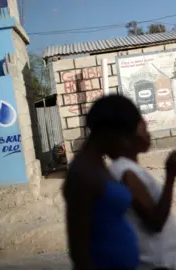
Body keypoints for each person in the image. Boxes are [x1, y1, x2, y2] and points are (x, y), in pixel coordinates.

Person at [103, 94, 176, 270]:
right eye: (144, 130)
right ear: (128, 136)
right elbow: (155, 222)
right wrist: (170, 177)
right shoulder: (126, 173)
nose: (148, 135)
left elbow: (147, 223)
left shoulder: (129, 170)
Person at [62, 96, 141, 269]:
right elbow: (78, 249)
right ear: (108, 131)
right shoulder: (82, 173)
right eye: (127, 137)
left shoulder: (98, 166)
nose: (128, 144)